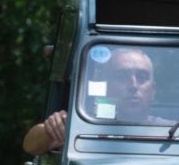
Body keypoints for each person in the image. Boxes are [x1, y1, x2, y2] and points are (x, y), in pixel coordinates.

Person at [23, 48, 158, 155]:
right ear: (106, 86)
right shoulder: (86, 126)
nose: (133, 85)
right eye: (122, 76)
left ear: (153, 90)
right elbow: (30, 145)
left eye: (142, 77)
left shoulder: (172, 130)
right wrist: (54, 126)